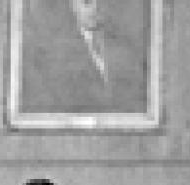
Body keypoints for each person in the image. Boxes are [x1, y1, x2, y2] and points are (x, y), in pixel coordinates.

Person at [19, 0, 149, 115]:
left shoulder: (125, 46)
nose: (96, 8)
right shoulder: (55, 52)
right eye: (87, 2)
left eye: (101, 2)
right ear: (72, 4)